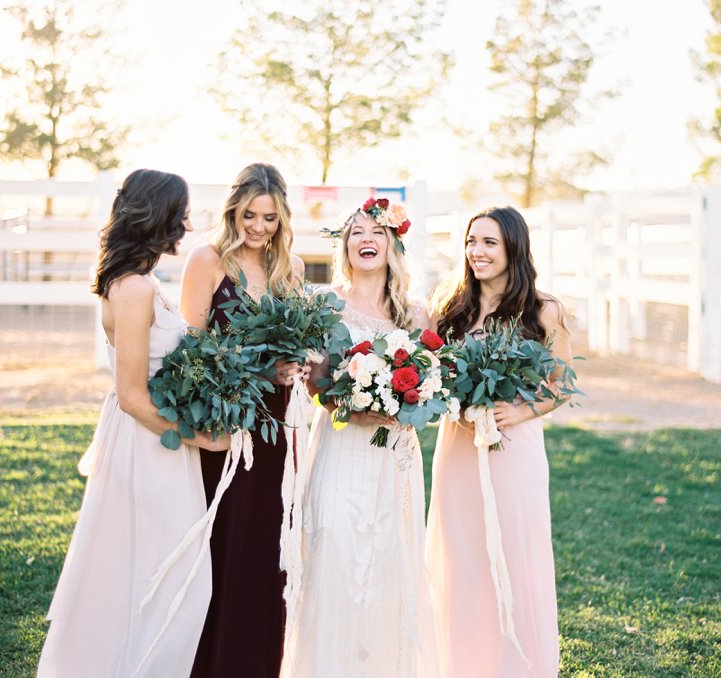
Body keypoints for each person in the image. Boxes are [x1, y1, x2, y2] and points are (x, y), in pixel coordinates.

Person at [38, 169, 231, 678]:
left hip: (163, 443)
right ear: (159, 216)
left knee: (167, 575)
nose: (188, 224)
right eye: (181, 212)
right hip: (148, 445)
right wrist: (202, 440)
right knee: (162, 576)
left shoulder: (144, 281)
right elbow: (129, 396)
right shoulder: (132, 288)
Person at [280, 200, 438, 678]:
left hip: (396, 454)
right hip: (343, 444)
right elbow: (317, 384)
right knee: (336, 550)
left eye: (376, 232)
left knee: (392, 556)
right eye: (356, 233)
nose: (366, 239)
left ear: (393, 244)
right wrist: (353, 402)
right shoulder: (325, 303)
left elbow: (432, 384)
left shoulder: (415, 313)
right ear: (345, 246)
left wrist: (401, 403)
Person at [426, 206, 573, 677]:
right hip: (458, 451)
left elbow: (562, 385)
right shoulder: (448, 307)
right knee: (463, 559)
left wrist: (522, 409)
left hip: (514, 450)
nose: (477, 252)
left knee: (514, 556)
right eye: (472, 241)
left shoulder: (544, 310)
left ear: (513, 246)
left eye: (489, 242)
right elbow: (430, 375)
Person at [180, 163, 305, 677]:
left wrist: (296, 363)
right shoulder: (208, 261)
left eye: (270, 218)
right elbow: (191, 350)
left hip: (275, 426)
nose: (258, 227)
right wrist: (257, 366)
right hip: (224, 421)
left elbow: (295, 339)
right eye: (250, 215)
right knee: (220, 545)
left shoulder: (288, 269)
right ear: (233, 210)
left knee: (263, 547)